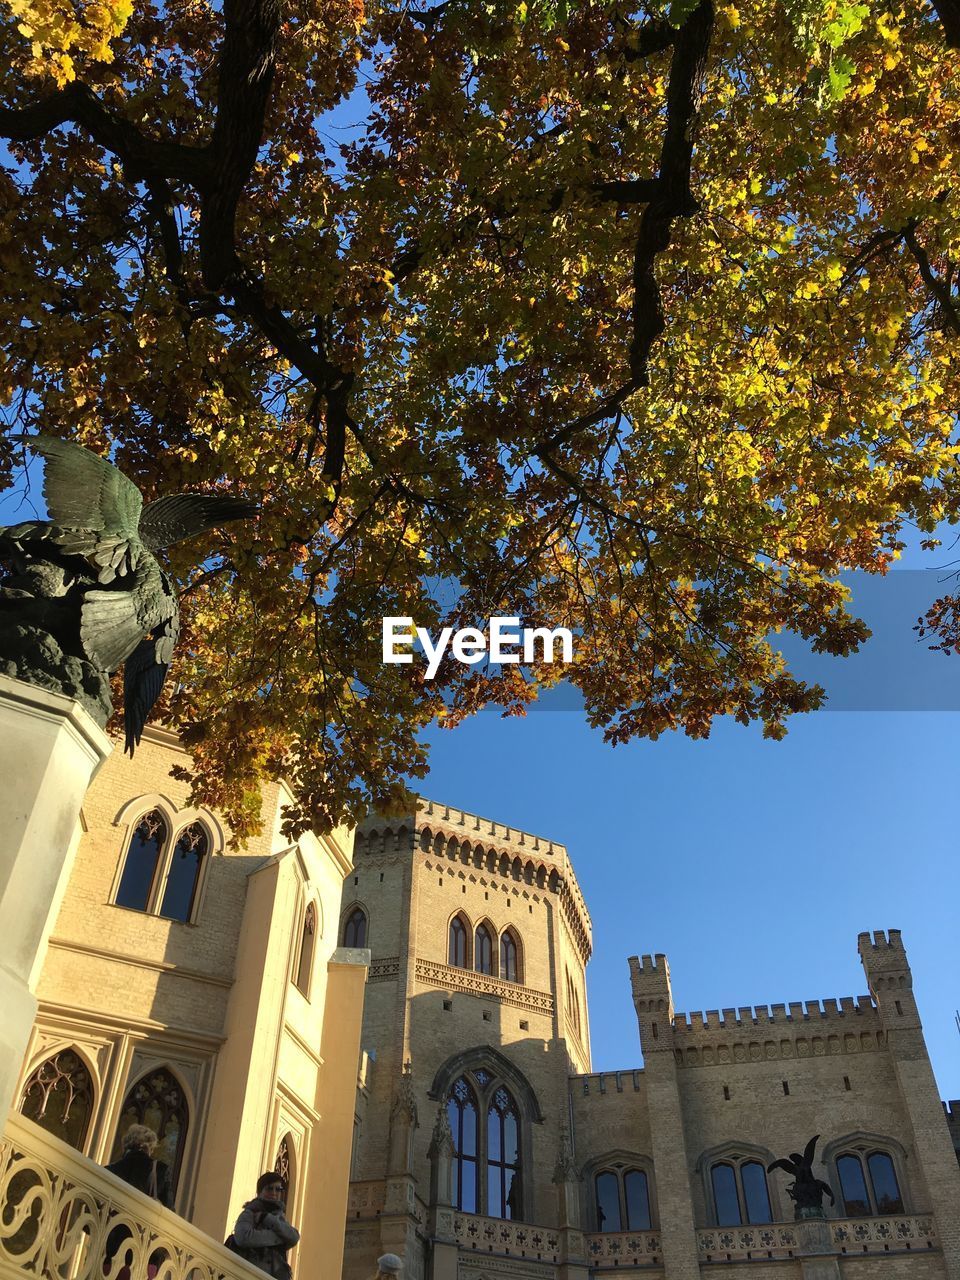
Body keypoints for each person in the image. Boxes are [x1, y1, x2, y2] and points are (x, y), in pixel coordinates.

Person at [103, 1125, 173, 1278]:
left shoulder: (109, 1171)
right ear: (150, 1147)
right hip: (145, 1259)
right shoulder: (160, 1170)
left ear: (126, 1146)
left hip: (112, 1258)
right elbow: (170, 1217)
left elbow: (90, 1222)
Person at [231, 1173, 300, 1280]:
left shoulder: (279, 1217)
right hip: (251, 1274)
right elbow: (243, 1237)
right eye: (269, 1189)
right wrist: (279, 1237)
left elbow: (294, 1237)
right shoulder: (250, 1213)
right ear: (260, 1192)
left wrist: (267, 1218)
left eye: (278, 1189)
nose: (274, 1193)